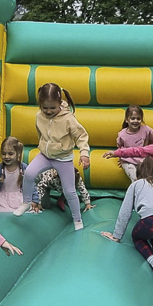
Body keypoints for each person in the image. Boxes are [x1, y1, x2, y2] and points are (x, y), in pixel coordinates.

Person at [14, 83, 90, 231]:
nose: (48, 111)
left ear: (59, 103)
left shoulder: (68, 119)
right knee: (29, 173)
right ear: (40, 105)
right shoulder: (39, 116)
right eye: (45, 108)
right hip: (45, 155)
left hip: (63, 158)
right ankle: (27, 202)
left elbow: (81, 136)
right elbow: (40, 133)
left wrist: (84, 154)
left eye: (52, 108)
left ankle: (77, 219)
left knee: (69, 191)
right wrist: (43, 145)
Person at [0, 137, 40, 213]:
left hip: (19, 198)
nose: (7, 156)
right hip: (2, 200)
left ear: (18, 154)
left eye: (10, 154)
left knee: (23, 210)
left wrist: (35, 200)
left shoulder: (23, 168)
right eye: (4, 154)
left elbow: (31, 185)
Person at [116, 105, 153, 182]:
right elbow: (120, 147)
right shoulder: (122, 134)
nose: (135, 121)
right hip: (128, 160)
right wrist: (121, 158)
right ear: (127, 120)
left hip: (143, 159)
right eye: (133, 118)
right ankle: (137, 185)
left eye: (138, 119)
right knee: (133, 174)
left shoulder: (146, 130)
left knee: (148, 175)